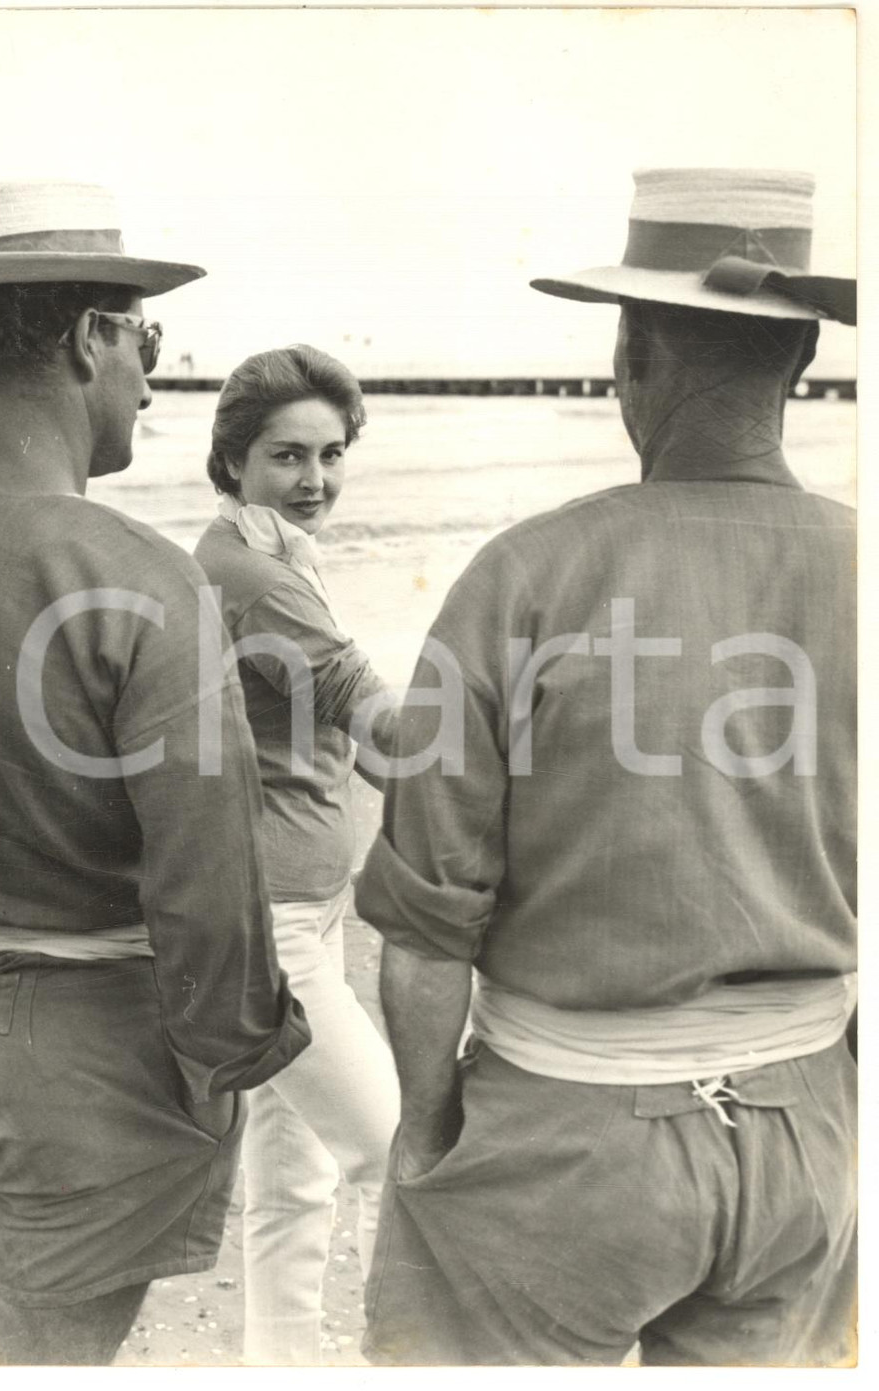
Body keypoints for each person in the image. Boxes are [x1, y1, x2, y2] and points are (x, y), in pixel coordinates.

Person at [355, 168, 856, 1367]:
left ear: (630, 350)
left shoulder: (526, 575)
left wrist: (424, 1128)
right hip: (803, 1129)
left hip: (567, 1132)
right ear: (798, 358)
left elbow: (426, 928)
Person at [0, 181, 310, 1366]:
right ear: (90, 337)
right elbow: (207, 878)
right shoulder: (136, 574)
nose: (149, 378)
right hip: (85, 1055)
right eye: (147, 340)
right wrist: (230, 1061)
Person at [193, 345, 400, 1365]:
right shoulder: (257, 577)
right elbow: (369, 708)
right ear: (232, 459)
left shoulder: (261, 555)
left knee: (295, 1180)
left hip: (294, 908)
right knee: (392, 1149)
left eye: (331, 454)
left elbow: (338, 733)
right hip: (277, 926)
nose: (314, 479)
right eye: (286, 455)